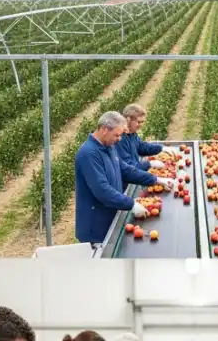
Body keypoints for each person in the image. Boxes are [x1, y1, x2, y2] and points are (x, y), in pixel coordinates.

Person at [74, 111, 175, 249]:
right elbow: (102, 190)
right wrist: (131, 204)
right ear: (104, 130)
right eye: (117, 135)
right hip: (96, 228)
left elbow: (126, 170)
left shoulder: (109, 147)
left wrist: (155, 179)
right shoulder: (89, 154)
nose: (119, 139)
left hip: (110, 216)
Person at [114, 104, 179, 171]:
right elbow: (128, 168)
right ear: (128, 120)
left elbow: (142, 147)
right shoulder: (119, 139)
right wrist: (149, 164)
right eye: (138, 122)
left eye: (142, 122)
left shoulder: (132, 133)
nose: (141, 125)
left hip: (135, 173)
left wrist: (161, 148)